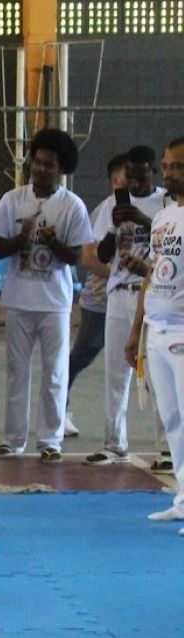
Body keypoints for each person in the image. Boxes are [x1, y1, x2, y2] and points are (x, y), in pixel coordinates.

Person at [0, 128, 92, 463]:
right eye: (39, 161)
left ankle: (50, 440)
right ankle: (13, 439)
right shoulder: (12, 199)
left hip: (55, 302)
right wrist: (22, 238)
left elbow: (76, 257)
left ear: (62, 169)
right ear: (31, 161)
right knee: (17, 371)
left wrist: (50, 241)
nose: (42, 169)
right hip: (19, 299)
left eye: (50, 164)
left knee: (55, 371)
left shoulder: (72, 206)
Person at [83, 147, 172, 472]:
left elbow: (169, 240)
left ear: (154, 173)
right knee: (115, 371)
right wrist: (113, 229)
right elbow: (103, 256)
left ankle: (167, 448)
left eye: (141, 176)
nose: (134, 183)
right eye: (129, 177)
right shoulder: (112, 204)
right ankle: (114, 443)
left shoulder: (167, 202)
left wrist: (141, 221)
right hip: (120, 293)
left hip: (155, 291)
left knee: (158, 373)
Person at [130, 136, 184, 532]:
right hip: (157, 327)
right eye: (166, 166)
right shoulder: (164, 218)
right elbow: (153, 274)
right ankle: (183, 497)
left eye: (177, 167)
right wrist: (136, 331)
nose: (169, 174)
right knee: (172, 420)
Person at [66, 154, 123, 438]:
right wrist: (122, 276)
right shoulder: (107, 209)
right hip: (101, 301)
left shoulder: (161, 201)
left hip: (140, 302)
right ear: (116, 180)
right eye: (129, 175)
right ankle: (60, 409)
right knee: (83, 354)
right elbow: (89, 258)